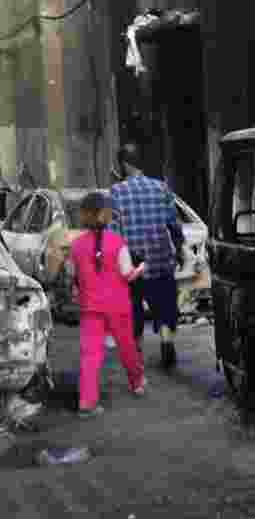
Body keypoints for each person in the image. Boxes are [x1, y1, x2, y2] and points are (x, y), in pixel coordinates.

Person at [70, 191, 147, 418]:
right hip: (118, 307)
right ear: (107, 215)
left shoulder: (76, 246)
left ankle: (87, 403)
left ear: (84, 216)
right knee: (127, 347)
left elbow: (73, 276)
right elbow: (128, 274)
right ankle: (137, 383)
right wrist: (141, 268)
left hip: (90, 308)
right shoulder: (118, 243)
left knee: (90, 355)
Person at [110, 143, 184, 369]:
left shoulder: (117, 192)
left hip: (132, 262)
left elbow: (113, 230)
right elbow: (174, 223)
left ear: (124, 165)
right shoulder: (161, 188)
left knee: (133, 307)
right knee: (165, 304)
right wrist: (179, 248)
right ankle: (166, 341)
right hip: (160, 257)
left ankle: (137, 351)